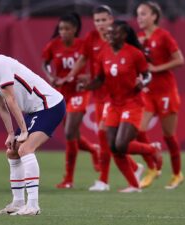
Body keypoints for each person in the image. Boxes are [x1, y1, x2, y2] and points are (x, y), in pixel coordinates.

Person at [0, 32, 65, 215]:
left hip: (50, 105)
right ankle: (18, 203)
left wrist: (24, 131)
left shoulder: (0, 64)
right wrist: (11, 133)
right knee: (12, 151)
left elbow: (10, 100)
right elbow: (0, 105)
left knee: (25, 149)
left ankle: (33, 205)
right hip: (36, 109)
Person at [59, 5, 144, 191]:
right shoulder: (91, 38)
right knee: (106, 138)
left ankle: (104, 180)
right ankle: (136, 167)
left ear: (111, 20)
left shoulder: (118, 40)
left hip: (115, 96)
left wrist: (139, 80)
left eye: (104, 20)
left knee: (105, 136)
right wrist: (71, 76)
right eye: (97, 20)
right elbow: (82, 60)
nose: (101, 24)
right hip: (99, 95)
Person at [79, 20, 162, 192]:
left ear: (124, 35)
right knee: (113, 147)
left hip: (133, 103)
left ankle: (152, 149)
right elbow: (100, 79)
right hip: (114, 104)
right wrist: (86, 86)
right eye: (109, 33)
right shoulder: (104, 54)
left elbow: (147, 76)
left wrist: (142, 83)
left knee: (121, 145)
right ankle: (134, 185)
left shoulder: (135, 54)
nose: (109, 35)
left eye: (114, 33)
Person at [41, 13, 100, 189]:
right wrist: (50, 76)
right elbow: (45, 63)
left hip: (80, 92)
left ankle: (68, 179)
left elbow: (97, 67)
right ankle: (93, 149)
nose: (63, 32)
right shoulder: (53, 45)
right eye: (61, 29)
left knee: (69, 133)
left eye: (67, 29)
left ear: (75, 29)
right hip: (62, 93)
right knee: (72, 134)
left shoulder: (83, 45)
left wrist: (87, 77)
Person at [136, 1, 185, 189]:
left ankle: (176, 174)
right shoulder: (140, 38)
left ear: (154, 16)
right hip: (148, 92)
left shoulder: (164, 36)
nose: (139, 17)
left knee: (169, 136)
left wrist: (156, 68)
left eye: (143, 14)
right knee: (138, 130)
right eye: (138, 14)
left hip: (166, 92)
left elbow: (180, 60)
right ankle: (153, 167)